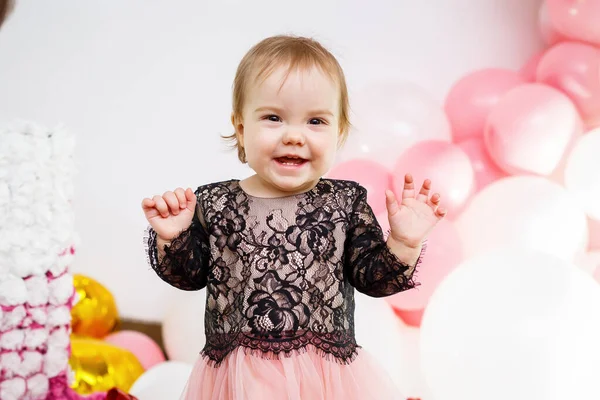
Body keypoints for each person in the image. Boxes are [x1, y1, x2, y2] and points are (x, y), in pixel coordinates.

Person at [142, 34, 446, 400]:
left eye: (316, 121)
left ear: (339, 132)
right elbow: (189, 276)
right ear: (241, 128)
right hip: (241, 380)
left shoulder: (342, 203)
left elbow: (373, 279)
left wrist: (404, 242)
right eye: (273, 118)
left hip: (323, 380)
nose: (294, 136)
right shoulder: (217, 202)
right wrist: (173, 237)